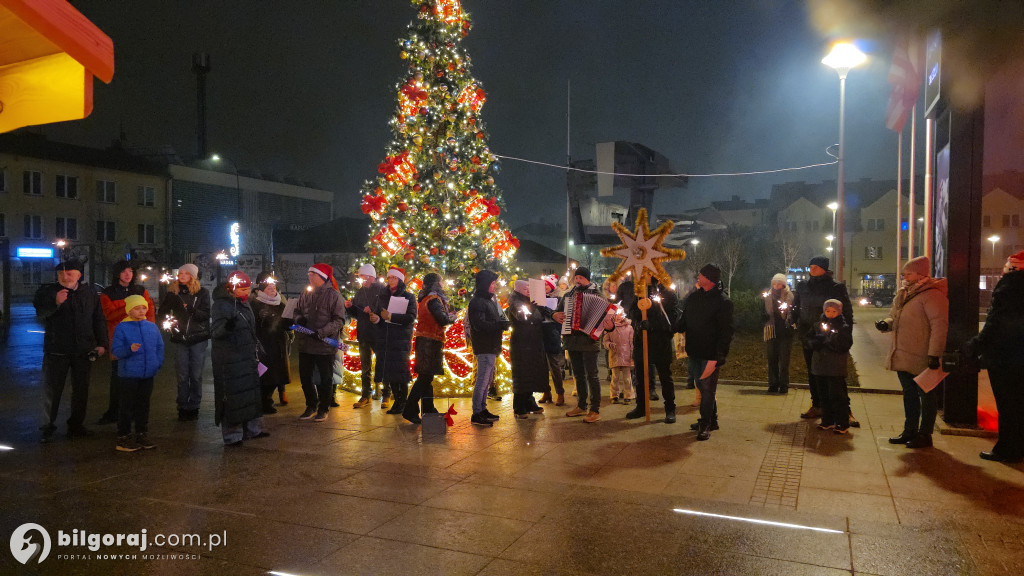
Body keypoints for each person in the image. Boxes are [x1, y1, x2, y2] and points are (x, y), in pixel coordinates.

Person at [875, 256, 948, 448]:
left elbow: (939, 325)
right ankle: (909, 430)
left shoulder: (932, 295)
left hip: (922, 355)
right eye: (904, 273)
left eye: (909, 272)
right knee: (909, 394)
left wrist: (934, 353)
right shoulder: (904, 293)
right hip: (903, 353)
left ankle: (925, 434)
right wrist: (886, 324)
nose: (905, 275)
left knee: (926, 395)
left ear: (921, 273)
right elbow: (895, 317)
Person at [34, 259, 108, 443]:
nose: (64, 276)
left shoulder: (89, 292)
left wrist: (102, 343)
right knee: (52, 390)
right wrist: (55, 302)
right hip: (57, 350)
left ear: (79, 275)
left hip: (83, 350)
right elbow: (41, 312)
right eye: (61, 274)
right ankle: (47, 428)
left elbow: (98, 319)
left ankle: (76, 425)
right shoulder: (48, 291)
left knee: (81, 390)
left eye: (69, 273)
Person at [968, 250, 1024, 463]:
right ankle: (1018, 446)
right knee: (1019, 403)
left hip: (1005, 357)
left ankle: (1007, 449)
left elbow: (996, 323)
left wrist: (975, 345)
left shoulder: (1010, 286)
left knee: (1008, 404)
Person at [790, 256, 856, 424]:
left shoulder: (836, 287)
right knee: (814, 372)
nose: (812, 269)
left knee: (836, 376)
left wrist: (845, 336)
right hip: (810, 336)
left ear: (824, 269)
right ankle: (818, 405)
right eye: (810, 266)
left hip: (831, 338)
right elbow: (796, 307)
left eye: (816, 266)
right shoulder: (803, 286)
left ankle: (844, 410)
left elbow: (846, 313)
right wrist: (792, 319)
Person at [676, 263, 734, 440]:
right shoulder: (694, 298)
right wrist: (669, 323)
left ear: (709, 279)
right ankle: (712, 419)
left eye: (701, 275)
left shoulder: (723, 302)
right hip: (694, 351)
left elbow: (726, 332)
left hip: (710, 354)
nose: (698, 278)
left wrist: (719, 355)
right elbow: (683, 321)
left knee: (708, 390)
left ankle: (705, 423)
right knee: (702, 387)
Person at [211, 271, 268, 446]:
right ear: (232, 289)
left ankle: (252, 429)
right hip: (230, 359)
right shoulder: (221, 305)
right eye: (243, 289)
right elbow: (215, 332)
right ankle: (232, 436)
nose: (247, 292)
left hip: (247, 356)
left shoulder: (244, 304)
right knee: (233, 396)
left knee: (250, 393)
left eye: (248, 288)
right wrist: (228, 326)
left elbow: (250, 328)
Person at [97, 261, 155, 424]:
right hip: (119, 340)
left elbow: (149, 312)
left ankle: (135, 412)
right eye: (124, 271)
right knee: (118, 379)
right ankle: (114, 411)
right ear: (117, 274)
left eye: (130, 271)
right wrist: (128, 304)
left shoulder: (140, 290)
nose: (128, 274)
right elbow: (108, 314)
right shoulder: (108, 292)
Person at [554, 267, 613, 423]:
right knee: (578, 374)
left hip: (589, 341)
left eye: (580, 277)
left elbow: (607, 319)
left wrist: (608, 326)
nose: (577, 280)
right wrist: (556, 315)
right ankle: (581, 406)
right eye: (576, 277)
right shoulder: (568, 296)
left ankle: (595, 409)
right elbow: (558, 313)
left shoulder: (599, 296)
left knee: (592, 375)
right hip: (572, 341)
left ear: (587, 279)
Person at [156, 263, 211, 422]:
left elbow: (206, 314)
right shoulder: (173, 293)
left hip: (198, 337)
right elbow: (163, 313)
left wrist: (192, 311)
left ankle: (194, 406)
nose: (182, 275)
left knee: (195, 375)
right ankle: (182, 406)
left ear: (193, 276)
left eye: (186, 273)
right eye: (180, 273)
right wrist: (169, 324)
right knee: (182, 374)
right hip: (180, 339)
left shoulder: (202, 293)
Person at [293, 263, 347, 422]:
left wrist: (322, 332)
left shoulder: (334, 295)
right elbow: (296, 311)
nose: (309, 277)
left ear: (322, 277)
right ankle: (310, 405)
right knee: (305, 377)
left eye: (313, 275)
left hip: (324, 345)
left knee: (325, 379)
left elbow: (339, 320)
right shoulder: (306, 292)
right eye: (309, 274)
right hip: (306, 344)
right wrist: (298, 319)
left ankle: (323, 408)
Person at [110, 295, 164, 452]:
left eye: (143, 308)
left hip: (148, 373)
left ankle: (141, 433)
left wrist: (157, 363)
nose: (141, 311)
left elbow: (160, 346)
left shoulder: (151, 327)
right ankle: (123, 436)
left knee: (143, 405)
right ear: (129, 311)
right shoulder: (122, 328)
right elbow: (116, 351)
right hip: (129, 374)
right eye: (137, 308)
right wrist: (129, 350)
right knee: (127, 406)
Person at [403, 272, 457, 424]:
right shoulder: (434, 300)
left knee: (426, 377)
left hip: (425, 340)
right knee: (424, 378)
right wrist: (452, 318)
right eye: (441, 282)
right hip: (430, 341)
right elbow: (442, 320)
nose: (443, 284)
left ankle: (428, 409)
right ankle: (409, 409)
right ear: (436, 284)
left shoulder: (426, 298)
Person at [624, 279, 680, 423]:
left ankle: (670, 409)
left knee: (665, 376)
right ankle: (641, 407)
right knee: (640, 376)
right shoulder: (640, 292)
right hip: (641, 341)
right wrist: (638, 321)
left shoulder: (667, 293)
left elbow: (672, 319)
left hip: (660, 342)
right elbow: (631, 312)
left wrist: (653, 325)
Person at [369, 266, 416, 415]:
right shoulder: (382, 296)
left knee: (401, 372)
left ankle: (403, 401)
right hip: (385, 339)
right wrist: (376, 319)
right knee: (389, 372)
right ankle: (397, 401)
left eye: (394, 278)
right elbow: (378, 314)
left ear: (400, 280)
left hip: (400, 340)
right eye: (389, 278)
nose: (390, 281)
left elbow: (410, 317)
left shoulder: (409, 297)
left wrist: (391, 317)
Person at [467, 270, 509, 426]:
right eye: (492, 283)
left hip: (491, 345)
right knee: (482, 380)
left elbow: (493, 319)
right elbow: (479, 325)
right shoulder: (477, 302)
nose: (495, 286)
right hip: (484, 345)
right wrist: (498, 325)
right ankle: (477, 412)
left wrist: (501, 323)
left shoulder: (489, 301)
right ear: (485, 284)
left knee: (487, 380)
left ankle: (483, 409)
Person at [805, 299, 854, 434]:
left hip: (835, 367)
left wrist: (828, 341)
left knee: (837, 395)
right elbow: (807, 340)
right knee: (823, 395)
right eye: (827, 311)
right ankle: (827, 420)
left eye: (833, 311)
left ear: (839, 312)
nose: (830, 314)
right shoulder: (817, 325)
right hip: (820, 366)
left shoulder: (843, 327)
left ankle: (842, 423)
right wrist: (815, 342)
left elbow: (844, 345)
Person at [345, 264, 388, 408]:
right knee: (365, 367)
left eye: (362, 276)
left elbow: (385, 310)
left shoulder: (382, 291)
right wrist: (350, 307)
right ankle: (365, 395)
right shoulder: (360, 292)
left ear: (370, 276)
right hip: (363, 333)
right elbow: (357, 314)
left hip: (378, 333)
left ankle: (386, 394)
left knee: (382, 364)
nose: (360, 279)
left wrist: (373, 310)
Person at [251, 272, 292, 414]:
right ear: (261, 289)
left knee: (276, 375)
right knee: (264, 375)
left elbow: (287, 324)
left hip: (278, 344)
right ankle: (263, 401)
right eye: (269, 288)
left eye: (273, 288)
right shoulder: (254, 303)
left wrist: (293, 321)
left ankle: (267, 400)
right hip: (262, 344)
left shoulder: (280, 303)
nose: (272, 290)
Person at [508, 280, 549, 419]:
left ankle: (529, 402)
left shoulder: (528, 300)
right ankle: (519, 406)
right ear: (518, 290)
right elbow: (522, 316)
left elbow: (538, 317)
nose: (529, 291)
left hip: (532, 342)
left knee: (531, 372)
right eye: (526, 289)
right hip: (521, 343)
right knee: (521, 375)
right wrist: (531, 308)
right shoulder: (515, 301)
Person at [763, 273, 794, 394]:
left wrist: (787, 316)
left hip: (785, 332)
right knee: (772, 359)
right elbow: (764, 311)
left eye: (779, 283)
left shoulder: (789, 296)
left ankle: (784, 385)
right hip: (771, 330)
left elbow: (792, 313)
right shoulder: (768, 296)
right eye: (774, 283)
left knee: (784, 360)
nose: (776, 286)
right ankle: (773, 384)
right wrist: (764, 316)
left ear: (784, 284)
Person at [539, 275, 566, 405]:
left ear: (552, 287)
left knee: (554, 365)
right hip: (540, 333)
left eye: (547, 285)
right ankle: (546, 392)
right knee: (542, 366)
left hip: (552, 333)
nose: (544, 287)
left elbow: (560, 316)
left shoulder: (559, 299)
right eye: (543, 285)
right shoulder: (537, 299)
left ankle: (560, 393)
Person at [604, 307, 634, 405]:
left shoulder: (629, 328)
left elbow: (632, 342)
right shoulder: (609, 328)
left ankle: (628, 395)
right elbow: (605, 341)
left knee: (627, 378)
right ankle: (614, 395)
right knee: (615, 377)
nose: (618, 317)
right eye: (616, 315)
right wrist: (609, 345)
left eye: (620, 314)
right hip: (614, 355)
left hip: (626, 355)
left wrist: (632, 354)